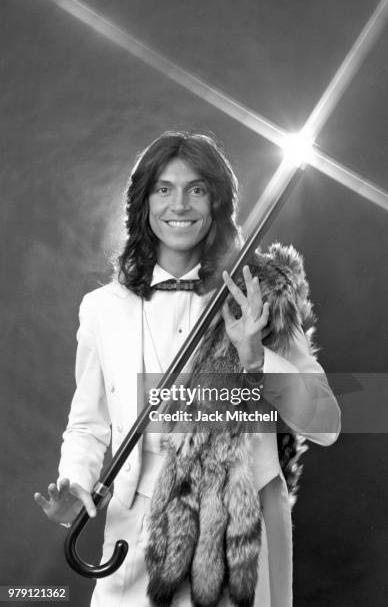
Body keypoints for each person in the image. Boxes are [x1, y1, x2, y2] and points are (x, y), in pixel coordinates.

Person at [34, 131, 341, 607]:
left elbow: (325, 425)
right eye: (163, 188)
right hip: (132, 531)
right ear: (144, 202)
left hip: (236, 533)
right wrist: (75, 485)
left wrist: (257, 359)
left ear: (217, 201)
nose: (180, 204)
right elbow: (89, 424)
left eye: (197, 189)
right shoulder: (101, 308)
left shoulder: (262, 296)